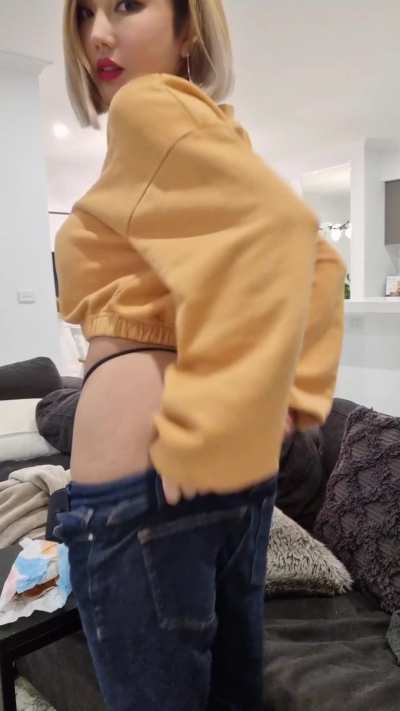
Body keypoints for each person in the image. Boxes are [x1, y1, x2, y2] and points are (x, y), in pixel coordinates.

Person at [52, 1, 346, 709]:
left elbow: (289, 237)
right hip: (224, 481)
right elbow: (306, 259)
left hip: (144, 484)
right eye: (85, 12)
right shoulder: (216, 130)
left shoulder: (145, 105)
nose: (97, 33)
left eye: (127, 4)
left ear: (189, 26)